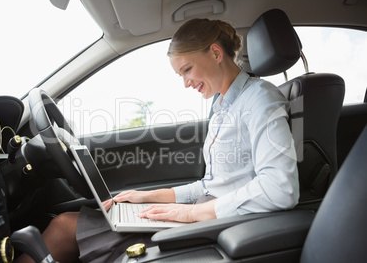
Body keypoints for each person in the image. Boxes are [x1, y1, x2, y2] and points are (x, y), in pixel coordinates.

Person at [15, 18, 299, 263]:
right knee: (66, 223)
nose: (186, 82)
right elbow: (211, 184)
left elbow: (280, 188)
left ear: (215, 53)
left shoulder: (260, 100)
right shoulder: (222, 106)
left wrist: (192, 214)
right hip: (207, 212)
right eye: (180, 74)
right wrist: (150, 197)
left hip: (222, 225)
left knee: (65, 227)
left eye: (187, 69)